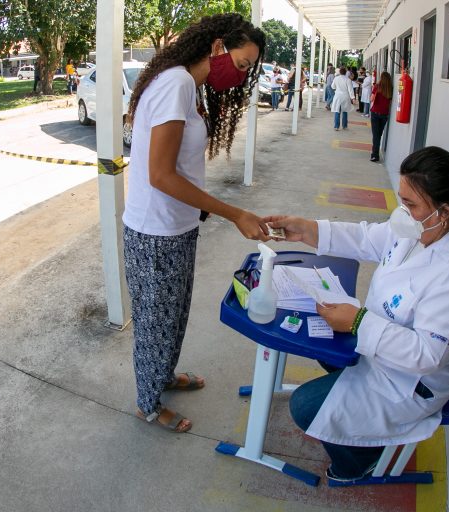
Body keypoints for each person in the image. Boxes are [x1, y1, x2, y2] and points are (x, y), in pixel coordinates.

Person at [264, 146, 449, 482]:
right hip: (380, 348)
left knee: (303, 407)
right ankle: (354, 422)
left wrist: (358, 322)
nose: (403, 212)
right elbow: (368, 238)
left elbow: (428, 354)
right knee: (319, 337)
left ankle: (356, 463)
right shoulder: (421, 227)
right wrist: (308, 230)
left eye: (411, 204)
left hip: (410, 383)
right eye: (402, 200)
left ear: (444, 212)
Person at [123, 13, 270, 433]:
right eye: (241, 65)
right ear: (218, 46)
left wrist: (200, 209)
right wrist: (234, 212)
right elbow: (160, 175)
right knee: (155, 322)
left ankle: (163, 376)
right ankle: (148, 404)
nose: (241, 78)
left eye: (247, 71)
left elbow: (180, 170)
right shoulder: (177, 84)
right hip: (155, 233)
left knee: (173, 315)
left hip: (177, 226)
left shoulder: (191, 87)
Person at [369, 71, 393, 162]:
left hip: (375, 113)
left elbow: (371, 99)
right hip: (384, 114)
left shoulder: (377, 87)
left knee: (376, 135)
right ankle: (375, 152)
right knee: (379, 134)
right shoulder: (390, 89)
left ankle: (375, 155)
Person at [330, 66, 355, 131]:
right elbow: (350, 89)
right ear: (345, 72)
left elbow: (332, 86)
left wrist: (337, 88)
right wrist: (353, 98)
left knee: (337, 111)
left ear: (340, 72)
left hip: (338, 96)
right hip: (345, 96)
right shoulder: (348, 80)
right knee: (345, 111)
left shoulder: (336, 78)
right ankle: (344, 126)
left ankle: (336, 126)